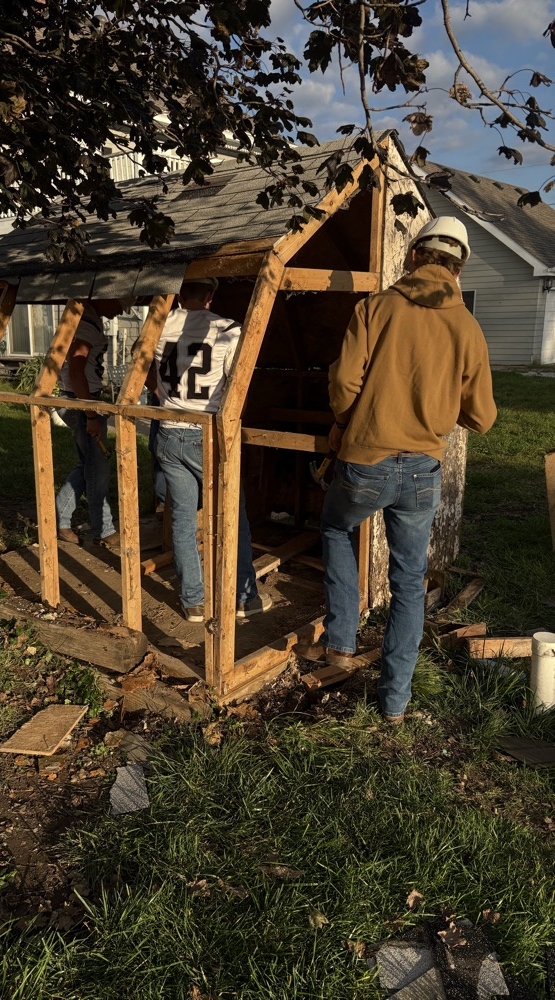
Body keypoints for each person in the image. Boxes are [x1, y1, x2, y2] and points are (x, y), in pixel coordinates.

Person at [298, 217, 497, 722]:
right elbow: (483, 417)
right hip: (423, 471)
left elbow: (343, 384)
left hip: (365, 461)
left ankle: (341, 642)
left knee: (336, 528)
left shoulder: (375, 307)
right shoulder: (468, 327)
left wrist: (346, 421)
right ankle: (394, 702)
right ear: (460, 267)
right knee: (410, 582)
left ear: (414, 256)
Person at [150, 277, 271, 623]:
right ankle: (245, 598)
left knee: (184, 520)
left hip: (169, 431)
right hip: (207, 432)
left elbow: (142, 361)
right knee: (234, 516)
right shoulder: (227, 329)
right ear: (210, 296)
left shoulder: (160, 324)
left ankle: (194, 601)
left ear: (180, 293)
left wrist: (161, 393)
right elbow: (237, 384)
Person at [56, 298, 132, 550]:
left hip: (83, 399)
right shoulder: (86, 322)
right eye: (121, 302)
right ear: (105, 296)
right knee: (98, 469)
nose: (122, 309)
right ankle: (103, 529)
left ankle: (60, 515)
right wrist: (90, 414)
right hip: (81, 401)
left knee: (88, 463)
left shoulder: (86, 318)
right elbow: (77, 370)